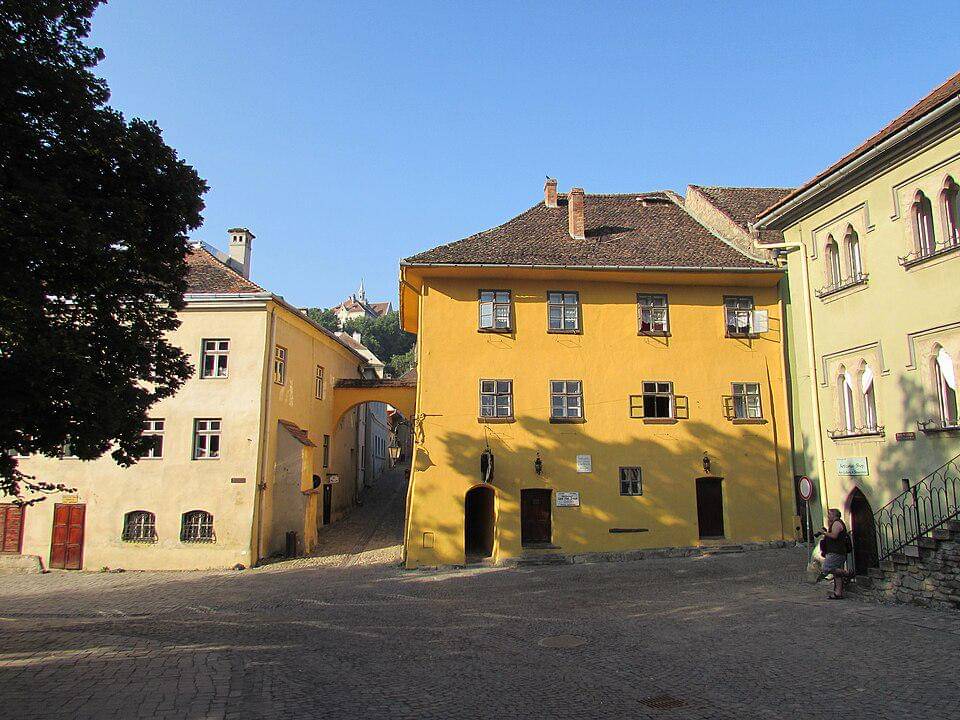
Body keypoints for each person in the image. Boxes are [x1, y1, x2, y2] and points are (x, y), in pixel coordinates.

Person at [819, 508, 853, 599]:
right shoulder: (835, 523)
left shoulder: (837, 523)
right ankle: (838, 593)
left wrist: (824, 533)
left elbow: (834, 535)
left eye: (829, 514)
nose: (828, 516)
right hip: (835, 551)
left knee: (826, 568)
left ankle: (847, 573)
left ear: (834, 515)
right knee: (837, 575)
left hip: (836, 552)